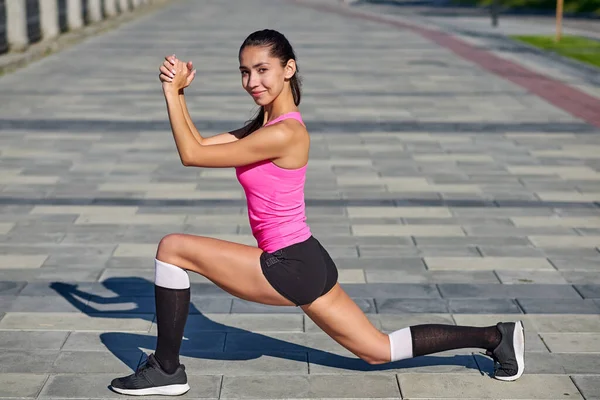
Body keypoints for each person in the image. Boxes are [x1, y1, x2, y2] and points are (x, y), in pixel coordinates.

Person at [109, 29, 525, 396]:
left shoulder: (286, 132)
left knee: (173, 248)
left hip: (290, 264)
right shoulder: (262, 128)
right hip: (308, 258)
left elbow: (191, 155)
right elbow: (199, 143)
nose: (252, 81)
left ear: (288, 69)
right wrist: (179, 91)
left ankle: (166, 369)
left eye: (262, 70)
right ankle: (495, 337)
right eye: (244, 72)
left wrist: (169, 92)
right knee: (378, 350)